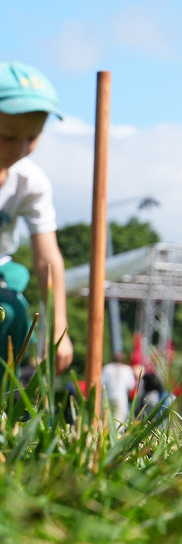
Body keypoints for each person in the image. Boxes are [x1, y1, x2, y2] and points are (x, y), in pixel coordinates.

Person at [0, 62, 74, 373]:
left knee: (13, 311)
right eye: (6, 136)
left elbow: (47, 260)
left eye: (32, 137)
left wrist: (58, 327)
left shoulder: (30, 182)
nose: (20, 148)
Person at [101, 349, 136, 425]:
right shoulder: (127, 370)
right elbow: (131, 386)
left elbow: (101, 383)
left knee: (106, 421)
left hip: (107, 397)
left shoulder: (107, 368)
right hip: (121, 398)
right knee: (118, 421)